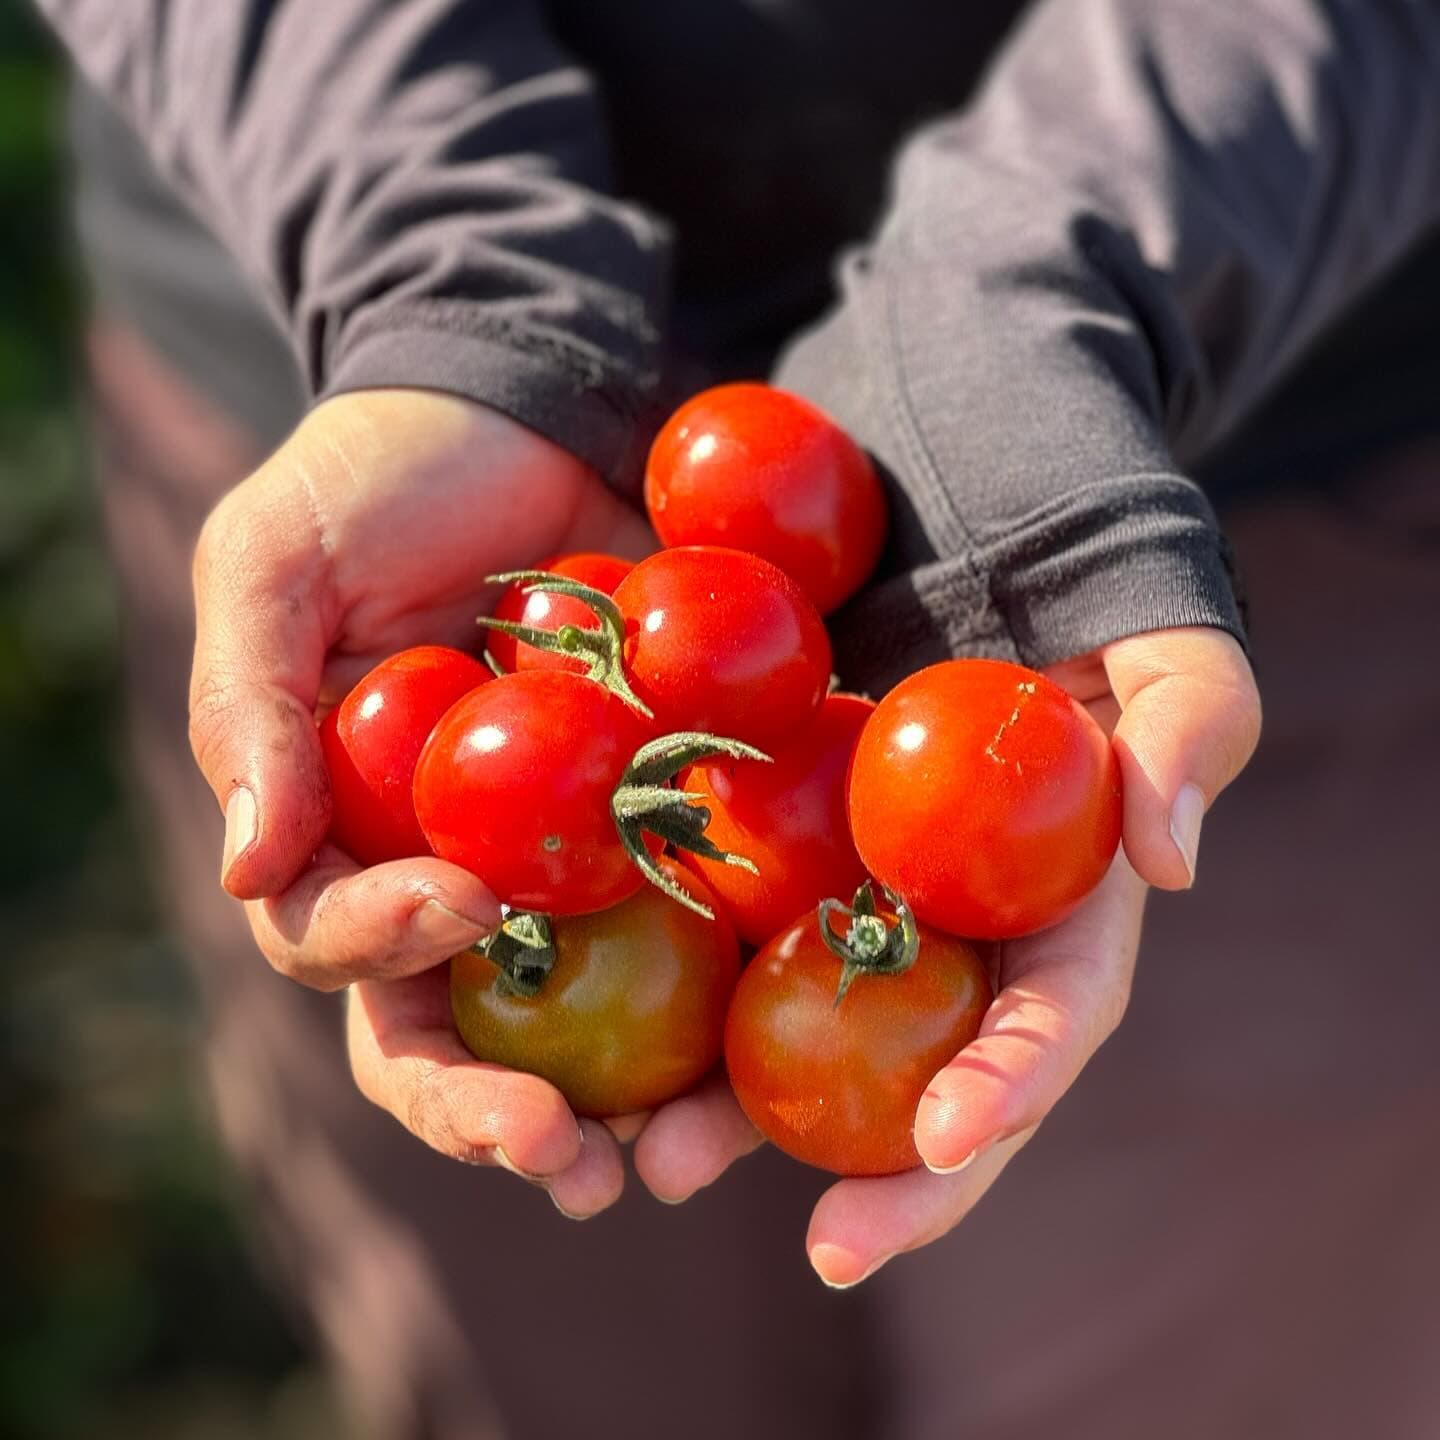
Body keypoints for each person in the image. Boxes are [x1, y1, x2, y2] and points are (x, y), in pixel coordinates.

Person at [38, 0, 1440, 1434]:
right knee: (561, 1374)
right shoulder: (530, 704)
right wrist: (446, 293)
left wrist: (1030, 305)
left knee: (1208, 1370)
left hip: (1253, 446)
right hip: (341, 367)